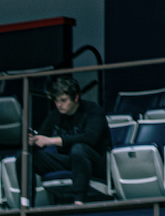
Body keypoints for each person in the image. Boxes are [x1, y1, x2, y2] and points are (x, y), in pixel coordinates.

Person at [28, 76, 111, 204]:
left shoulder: (93, 110)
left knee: (78, 149)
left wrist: (52, 141)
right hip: (70, 160)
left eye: (63, 100)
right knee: (26, 157)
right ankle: (27, 204)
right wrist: (34, 140)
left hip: (96, 162)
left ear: (76, 97)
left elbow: (90, 138)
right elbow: (43, 137)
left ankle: (78, 201)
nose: (59, 104)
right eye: (56, 100)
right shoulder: (55, 115)